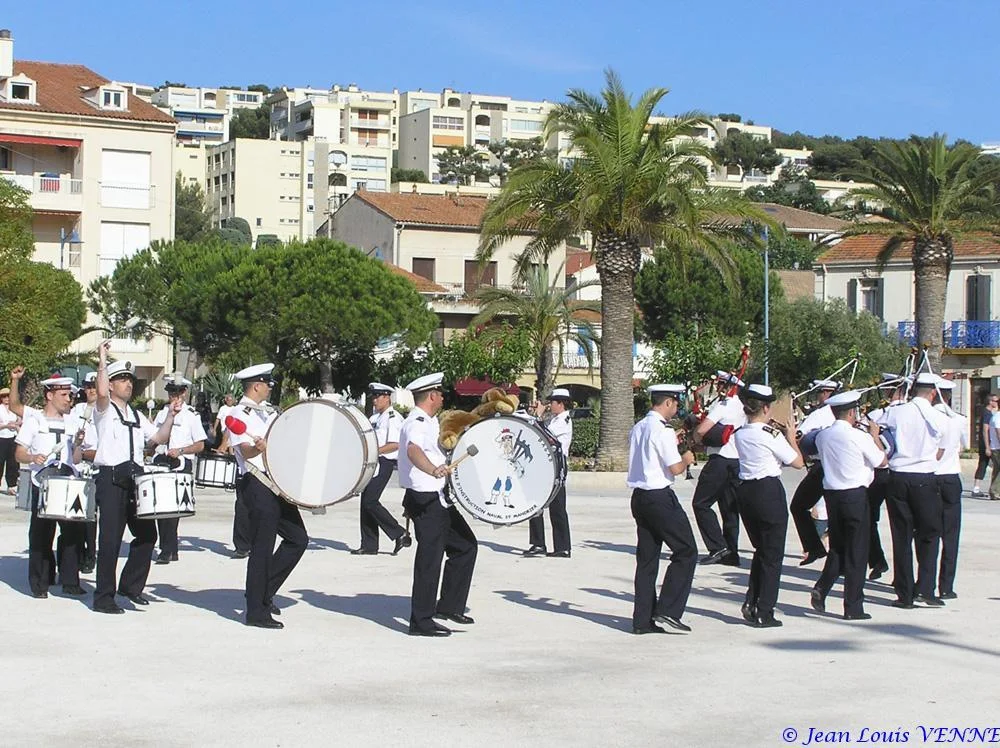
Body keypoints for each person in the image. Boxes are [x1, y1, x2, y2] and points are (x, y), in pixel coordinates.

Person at [91, 344, 178, 614]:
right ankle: (104, 597)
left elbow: (157, 439)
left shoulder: (137, 415)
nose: (128, 384)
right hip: (111, 478)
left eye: (130, 380)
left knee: (147, 535)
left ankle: (130, 587)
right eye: (123, 380)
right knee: (110, 540)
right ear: (112, 383)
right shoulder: (103, 410)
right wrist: (103, 361)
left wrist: (171, 417)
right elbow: (102, 392)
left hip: (135, 479)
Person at [226, 363, 308, 629]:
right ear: (256, 385)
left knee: (298, 539)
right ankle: (256, 612)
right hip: (256, 484)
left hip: (277, 484)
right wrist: (256, 448)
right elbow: (243, 451)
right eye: (267, 384)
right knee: (262, 548)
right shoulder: (240, 413)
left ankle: (262, 592)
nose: (270, 388)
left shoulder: (269, 413)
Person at [398, 372, 477, 637]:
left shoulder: (430, 421)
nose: (443, 397)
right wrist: (432, 469)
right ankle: (420, 621)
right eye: (440, 393)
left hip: (437, 498)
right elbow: (413, 450)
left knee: (465, 546)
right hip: (426, 498)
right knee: (429, 559)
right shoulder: (417, 422)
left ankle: (449, 606)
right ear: (432, 396)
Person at [626, 384, 698, 634]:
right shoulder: (663, 430)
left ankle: (642, 620)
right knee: (687, 550)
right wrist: (687, 458)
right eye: (676, 404)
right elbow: (676, 468)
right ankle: (668, 609)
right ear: (667, 402)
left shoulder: (639, 427)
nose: (676, 409)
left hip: (640, 496)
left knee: (647, 559)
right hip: (659, 496)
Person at [732, 384, 805, 628]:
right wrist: (791, 439)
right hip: (767, 491)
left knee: (761, 550)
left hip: (746, 492)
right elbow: (797, 462)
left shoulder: (740, 432)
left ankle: (752, 601)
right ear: (765, 407)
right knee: (772, 554)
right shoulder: (769, 434)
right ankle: (764, 610)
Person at [811, 390, 887, 620]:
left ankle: (822, 587)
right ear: (852, 412)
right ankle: (853, 607)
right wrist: (875, 436)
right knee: (857, 552)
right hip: (854, 495)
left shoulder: (823, 436)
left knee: (838, 548)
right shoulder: (859, 436)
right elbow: (881, 461)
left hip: (832, 495)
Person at [14, 376, 89, 598]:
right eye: (64, 395)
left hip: (68, 481)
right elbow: (18, 453)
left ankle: (70, 582)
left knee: (73, 533)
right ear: (50, 395)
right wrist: (31, 456)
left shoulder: (73, 422)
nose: (69, 400)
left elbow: (75, 459)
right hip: (42, 482)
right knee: (40, 534)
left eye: (70, 395)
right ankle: (40, 583)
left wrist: (77, 445)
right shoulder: (34, 421)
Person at [883, 371, 947, 608]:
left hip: (898, 476)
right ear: (933, 393)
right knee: (929, 535)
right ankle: (926, 589)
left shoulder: (897, 411)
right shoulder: (938, 416)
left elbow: (874, 424)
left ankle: (904, 594)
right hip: (924, 477)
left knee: (902, 536)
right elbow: (942, 448)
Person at [692, 373, 746, 566]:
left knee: (701, 504)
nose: (719, 388)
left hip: (720, 460)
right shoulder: (742, 407)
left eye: (721, 384)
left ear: (730, 387)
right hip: (737, 461)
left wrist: (694, 441)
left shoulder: (723, 406)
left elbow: (701, 430)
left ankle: (717, 547)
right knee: (729, 509)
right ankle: (732, 552)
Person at [351, 382, 411, 555]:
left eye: (378, 397)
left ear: (387, 397)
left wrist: (373, 451)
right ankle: (369, 544)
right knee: (365, 502)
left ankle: (399, 533)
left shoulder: (393, 418)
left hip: (384, 463)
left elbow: (394, 445)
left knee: (371, 501)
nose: (374, 400)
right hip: (372, 462)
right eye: (373, 397)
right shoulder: (375, 418)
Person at [153, 374, 207, 564]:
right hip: (161, 462)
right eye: (170, 392)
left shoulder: (191, 415)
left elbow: (200, 445)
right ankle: (169, 548)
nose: (173, 395)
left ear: (184, 393)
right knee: (160, 507)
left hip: (181, 463)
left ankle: (167, 549)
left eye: (177, 392)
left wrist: (181, 450)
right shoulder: (162, 414)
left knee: (173, 509)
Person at [789, 379, 839, 566]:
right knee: (836, 510)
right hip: (839, 465)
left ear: (826, 393)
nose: (818, 397)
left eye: (819, 393)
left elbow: (799, 435)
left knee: (799, 506)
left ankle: (814, 547)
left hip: (822, 466)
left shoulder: (820, 414)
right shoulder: (852, 414)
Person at [524, 387, 573, 558]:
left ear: (561, 404)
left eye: (552, 402)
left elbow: (545, 437)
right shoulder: (555, 419)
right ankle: (538, 543)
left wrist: (537, 416)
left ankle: (562, 546)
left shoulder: (563, 421)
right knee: (536, 503)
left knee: (557, 507)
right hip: (546, 465)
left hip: (556, 466)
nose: (549, 405)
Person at [933, 377, 967, 599]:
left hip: (929, 478)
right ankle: (946, 586)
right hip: (950, 477)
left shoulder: (926, 417)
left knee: (927, 534)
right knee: (951, 536)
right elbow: (963, 446)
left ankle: (922, 582)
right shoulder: (958, 419)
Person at [70, 372, 99, 574]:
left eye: (94, 386)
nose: (91, 390)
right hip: (80, 466)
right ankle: (77, 553)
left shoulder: (106, 410)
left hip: (97, 466)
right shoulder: (78, 410)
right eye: (88, 386)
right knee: (77, 514)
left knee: (92, 516)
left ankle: (91, 553)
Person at [972, 391, 997, 496]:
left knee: (983, 464)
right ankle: (982, 489)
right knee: (986, 464)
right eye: (996, 401)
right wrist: (987, 446)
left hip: (987, 444)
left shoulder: (988, 413)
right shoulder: (987, 414)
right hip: (987, 444)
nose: (997, 403)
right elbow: (984, 430)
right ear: (990, 402)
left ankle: (977, 488)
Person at [0, 384, 22, 495]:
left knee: (13, 462)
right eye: (4, 397)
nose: (7, 399)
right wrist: (6, 426)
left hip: (12, 437)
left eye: (8, 396)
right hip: (1, 437)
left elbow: (20, 420)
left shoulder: (14, 409)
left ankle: (12, 485)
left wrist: (15, 423)